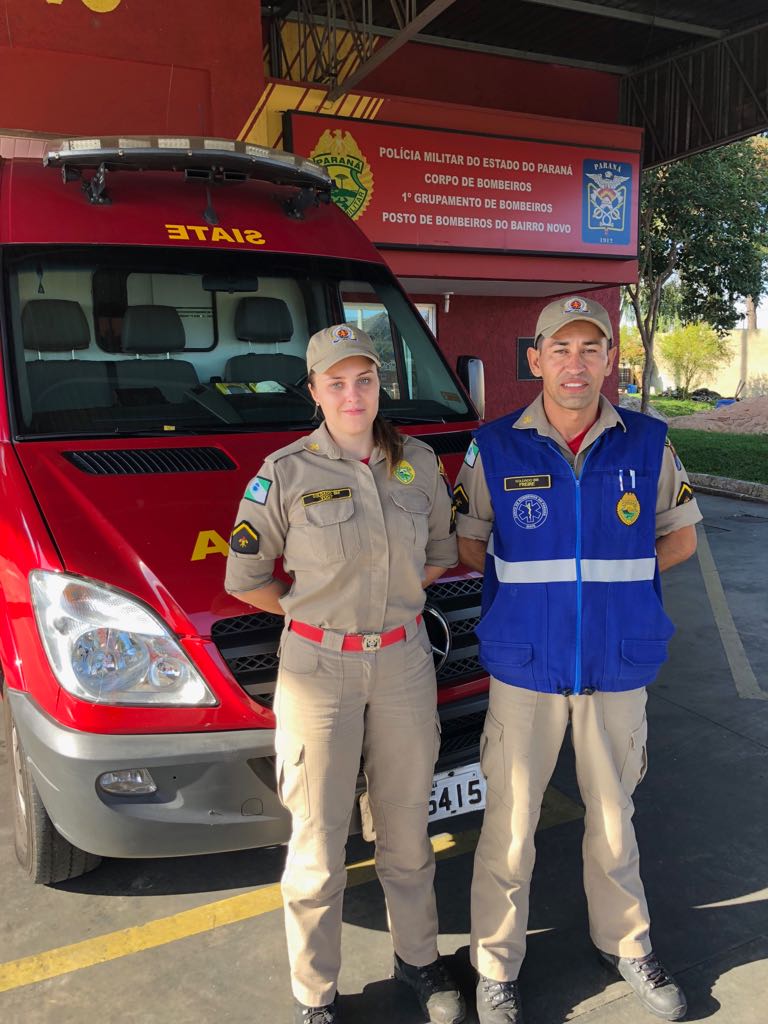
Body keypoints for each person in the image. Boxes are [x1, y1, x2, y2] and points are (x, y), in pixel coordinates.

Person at [454, 296, 701, 1024]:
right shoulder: (494, 447)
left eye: (591, 349)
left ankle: (626, 943)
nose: (575, 363)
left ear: (610, 360)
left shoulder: (649, 443)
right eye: (560, 349)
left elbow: (681, 539)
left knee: (616, 820)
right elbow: (470, 543)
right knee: (509, 828)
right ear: (535, 360)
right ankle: (495, 967)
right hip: (526, 666)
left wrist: (613, 589)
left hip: (615, 665)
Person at [225, 324, 466, 1024]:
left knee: (407, 828)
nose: (352, 394)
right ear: (314, 391)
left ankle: (417, 959)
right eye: (336, 383)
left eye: (363, 379)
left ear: (379, 384)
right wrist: (315, 616)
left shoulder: (418, 462)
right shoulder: (285, 472)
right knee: (317, 841)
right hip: (317, 672)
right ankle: (315, 994)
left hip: (403, 664)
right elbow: (246, 577)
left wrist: (387, 608)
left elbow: (440, 554)